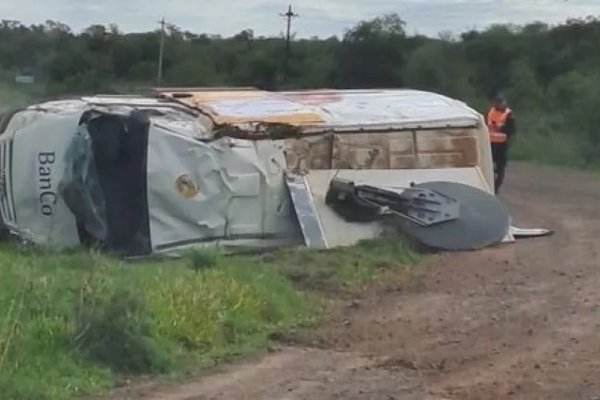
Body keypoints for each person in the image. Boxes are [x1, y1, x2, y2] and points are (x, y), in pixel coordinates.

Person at [486, 94, 516, 194]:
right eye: (498, 102)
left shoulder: (509, 114)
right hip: (490, 143)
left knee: (500, 168)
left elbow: (511, 130)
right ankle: (488, 186)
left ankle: (496, 188)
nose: (499, 104)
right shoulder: (490, 112)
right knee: (487, 166)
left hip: (502, 145)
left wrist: (501, 129)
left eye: (501, 102)